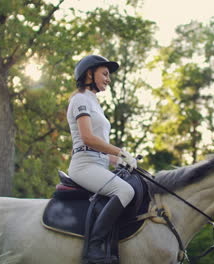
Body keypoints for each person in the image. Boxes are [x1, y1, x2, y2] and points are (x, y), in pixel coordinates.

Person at [67, 55, 137, 263]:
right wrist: (120, 151)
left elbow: (101, 149)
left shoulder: (94, 103)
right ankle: (94, 248)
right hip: (84, 166)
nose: (108, 79)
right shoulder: (79, 98)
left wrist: (120, 161)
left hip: (99, 165)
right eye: (105, 74)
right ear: (89, 73)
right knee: (125, 190)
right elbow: (88, 138)